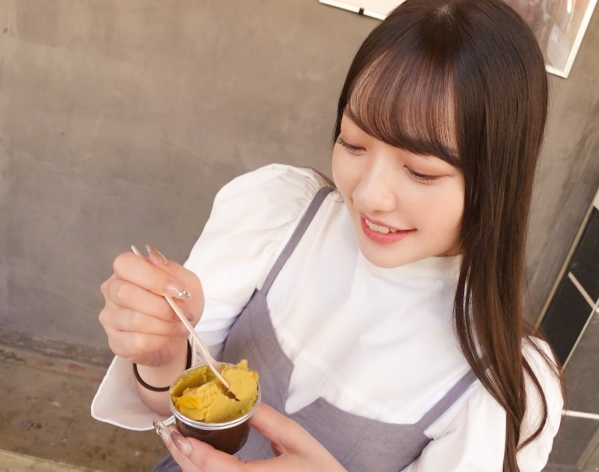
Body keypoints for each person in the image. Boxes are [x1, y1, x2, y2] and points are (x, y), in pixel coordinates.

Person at [91, 0, 564, 470]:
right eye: (353, 143)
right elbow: (177, 410)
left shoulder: (503, 383)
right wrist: (161, 356)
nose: (369, 195)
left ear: (498, 179)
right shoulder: (281, 214)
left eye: (421, 171)